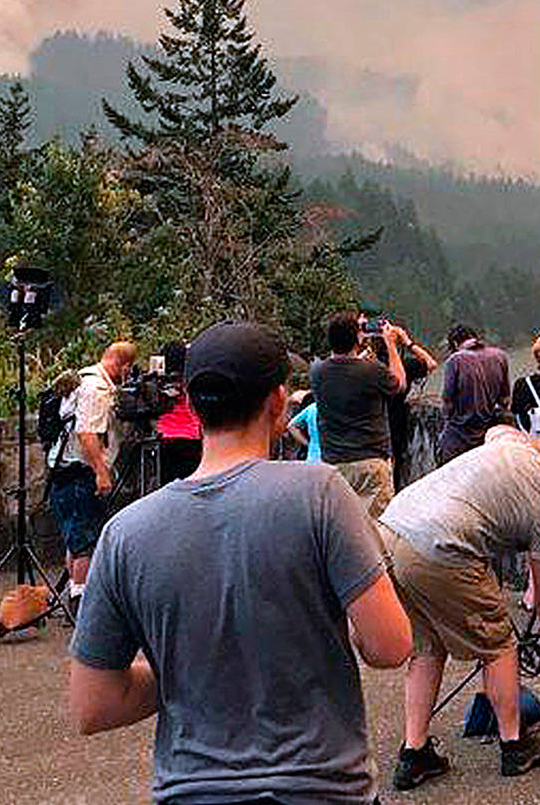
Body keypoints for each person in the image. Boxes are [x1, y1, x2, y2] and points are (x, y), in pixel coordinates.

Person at [67, 321, 413, 804]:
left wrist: (188, 664)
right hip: (321, 790)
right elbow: (390, 645)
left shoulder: (125, 534)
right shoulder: (319, 494)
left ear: (188, 400)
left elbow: (93, 705)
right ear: (276, 402)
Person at [382, 432, 540, 788]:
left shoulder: (515, 446)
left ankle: (414, 753)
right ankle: (515, 745)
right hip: (439, 546)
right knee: (498, 645)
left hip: (393, 531)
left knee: (427, 646)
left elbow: (498, 430)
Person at [48, 340, 137, 610]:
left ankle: (76, 595)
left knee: (76, 539)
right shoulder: (96, 389)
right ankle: (82, 602)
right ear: (124, 365)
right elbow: (86, 433)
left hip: (63, 470)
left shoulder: (82, 379)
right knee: (86, 540)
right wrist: (101, 471)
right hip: (81, 472)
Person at [310, 310, 408, 518]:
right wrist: (390, 344)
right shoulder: (371, 371)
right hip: (370, 462)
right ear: (356, 339)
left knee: (341, 527)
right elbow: (399, 383)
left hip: (334, 464)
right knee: (375, 532)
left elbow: (342, 369)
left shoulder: (317, 372)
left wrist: (358, 352)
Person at [374, 322, 437, 488]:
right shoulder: (405, 366)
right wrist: (407, 342)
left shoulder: (368, 367)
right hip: (396, 420)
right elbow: (430, 364)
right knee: (394, 466)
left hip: (371, 423)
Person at [438, 322, 511, 463]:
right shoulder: (500, 356)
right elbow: (504, 400)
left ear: (454, 343)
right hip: (488, 436)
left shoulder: (455, 360)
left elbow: (447, 401)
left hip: (458, 438)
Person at [153, 342, 201, 485]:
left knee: (167, 484)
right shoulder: (192, 379)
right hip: (191, 438)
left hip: (165, 437)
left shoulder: (158, 382)